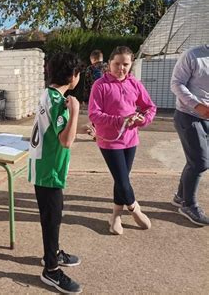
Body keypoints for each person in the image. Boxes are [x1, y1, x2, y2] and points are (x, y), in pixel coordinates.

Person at [29, 52, 83, 294]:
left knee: (52, 215)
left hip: (43, 166)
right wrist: (76, 112)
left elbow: (55, 130)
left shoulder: (48, 94)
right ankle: (50, 270)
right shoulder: (61, 102)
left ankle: (53, 253)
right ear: (73, 76)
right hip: (49, 170)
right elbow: (65, 141)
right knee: (52, 220)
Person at [88, 46, 156, 235]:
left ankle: (115, 216)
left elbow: (150, 107)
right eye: (116, 64)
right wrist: (119, 120)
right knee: (123, 180)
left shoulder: (134, 83)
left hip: (131, 140)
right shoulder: (100, 85)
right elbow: (94, 114)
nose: (121, 68)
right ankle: (135, 208)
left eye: (125, 64)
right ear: (109, 63)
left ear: (131, 64)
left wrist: (143, 119)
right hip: (109, 141)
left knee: (122, 179)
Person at [170, 44, 209, 226]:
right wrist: (197, 105)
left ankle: (180, 196)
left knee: (194, 159)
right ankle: (189, 204)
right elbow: (176, 83)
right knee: (200, 162)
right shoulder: (193, 55)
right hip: (189, 116)